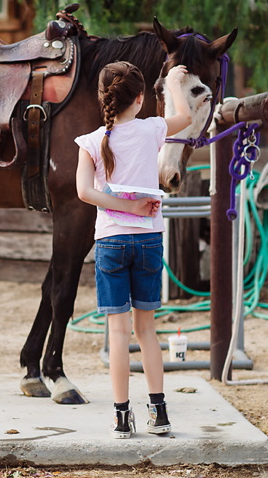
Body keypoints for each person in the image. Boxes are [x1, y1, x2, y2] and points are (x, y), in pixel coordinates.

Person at [74, 61, 198, 438]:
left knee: (117, 333)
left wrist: (123, 207)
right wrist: (175, 82)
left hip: (110, 240)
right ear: (141, 99)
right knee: (147, 331)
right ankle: (159, 414)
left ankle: (121, 416)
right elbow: (186, 117)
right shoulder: (151, 129)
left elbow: (84, 192)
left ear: (104, 98)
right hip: (147, 241)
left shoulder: (91, 142)